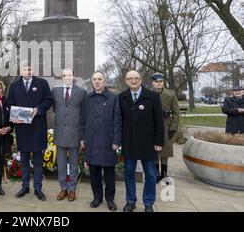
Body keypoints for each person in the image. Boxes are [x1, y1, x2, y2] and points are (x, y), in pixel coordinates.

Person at [5, 63, 53, 201]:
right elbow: (9, 104)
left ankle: (38, 188)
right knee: (24, 161)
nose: (28, 71)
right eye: (25, 69)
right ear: (21, 71)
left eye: (30, 69)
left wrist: (38, 109)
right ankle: (25, 187)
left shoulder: (42, 83)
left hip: (37, 127)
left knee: (38, 161)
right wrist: (14, 115)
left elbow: (49, 100)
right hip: (22, 128)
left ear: (33, 70)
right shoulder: (14, 86)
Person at [119, 70, 164, 212]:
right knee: (129, 174)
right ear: (126, 80)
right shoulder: (121, 97)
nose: (133, 81)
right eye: (130, 78)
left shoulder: (153, 97)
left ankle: (148, 203)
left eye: (136, 78)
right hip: (129, 142)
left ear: (141, 79)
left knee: (150, 175)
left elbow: (159, 122)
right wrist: (118, 141)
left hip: (148, 143)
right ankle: (130, 201)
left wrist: (159, 142)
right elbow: (118, 121)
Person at [82, 72, 121, 211]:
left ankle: (110, 199)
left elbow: (117, 121)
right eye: (94, 79)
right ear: (91, 82)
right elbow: (83, 120)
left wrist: (116, 140)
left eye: (100, 79)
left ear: (104, 81)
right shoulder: (87, 98)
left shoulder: (113, 98)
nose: (97, 82)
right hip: (92, 141)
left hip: (108, 141)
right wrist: (82, 138)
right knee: (94, 173)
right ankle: (97, 197)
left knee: (109, 174)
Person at [52, 68, 87, 202]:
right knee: (61, 163)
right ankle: (63, 189)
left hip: (75, 133)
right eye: (64, 75)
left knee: (73, 163)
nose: (67, 77)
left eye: (69, 75)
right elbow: (55, 108)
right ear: (62, 78)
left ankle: (72, 190)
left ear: (74, 76)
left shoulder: (82, 92)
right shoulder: (55, 91)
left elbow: (83, 112)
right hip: (60, 132)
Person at [151, 73, 180, 182]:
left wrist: (173, 127)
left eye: (160, 81)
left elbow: (176, 113)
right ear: (153, 83)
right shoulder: (149, 94)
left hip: (165, 125)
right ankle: (155, 173)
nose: (158, 83)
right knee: (154, 151)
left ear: (163, 82)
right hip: (152, 126)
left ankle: (164, 173)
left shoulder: (171, 95)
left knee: (165, 151)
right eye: (156, 82)